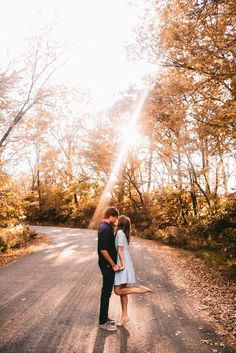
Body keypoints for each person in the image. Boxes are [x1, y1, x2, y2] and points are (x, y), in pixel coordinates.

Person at [114, 215, 153, 326]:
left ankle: (140, 290)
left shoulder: (120, 233)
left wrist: (122, 264)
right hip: (124, 262)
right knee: (123, 292)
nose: (116, 220)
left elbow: (120, 250)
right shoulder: (123, 234)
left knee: (117, 291)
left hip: (122, 262)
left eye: (118, 219)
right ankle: (124, 316)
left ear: (120, 223)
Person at [97, 206, 119, 331]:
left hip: (105, 265)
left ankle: (105, 317)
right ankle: (103, 322)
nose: (116, 220)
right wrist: (113, 264)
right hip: (107, 265)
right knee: (106, 293)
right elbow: (103, 249)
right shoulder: (105, 229)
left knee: (107, 292)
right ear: (111, 215)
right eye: (115, 218)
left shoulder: (104, 226)